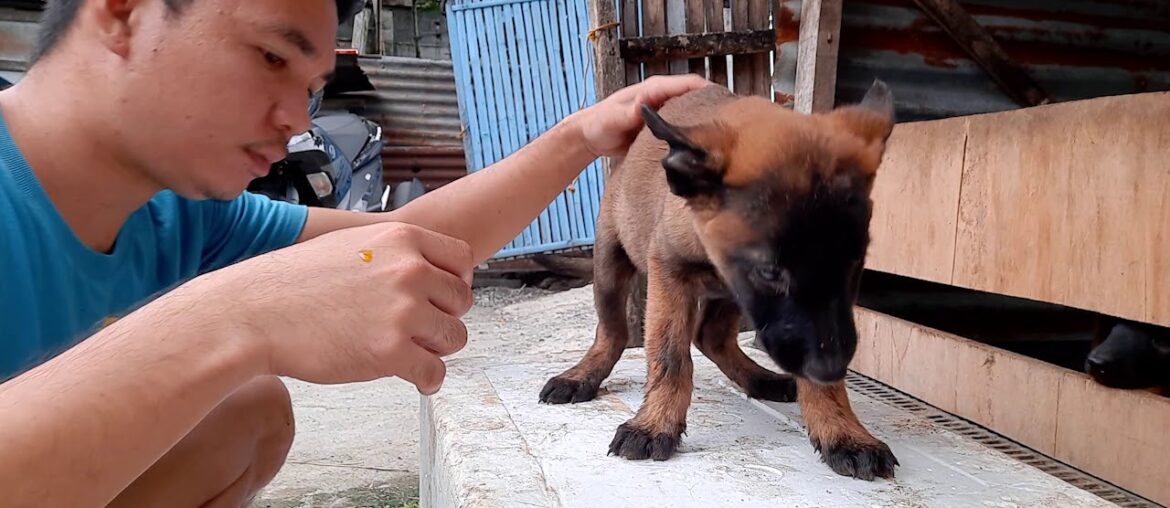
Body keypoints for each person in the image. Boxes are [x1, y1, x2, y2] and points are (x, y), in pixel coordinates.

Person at [0, 0, 709, 506]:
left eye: (312, 89)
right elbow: (255, 306)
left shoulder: (179, 216)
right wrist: (235, 316)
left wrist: (580, 138)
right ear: (122, 14)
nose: (297, 121)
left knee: (246, 416)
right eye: (270, 56)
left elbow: (401, 246)